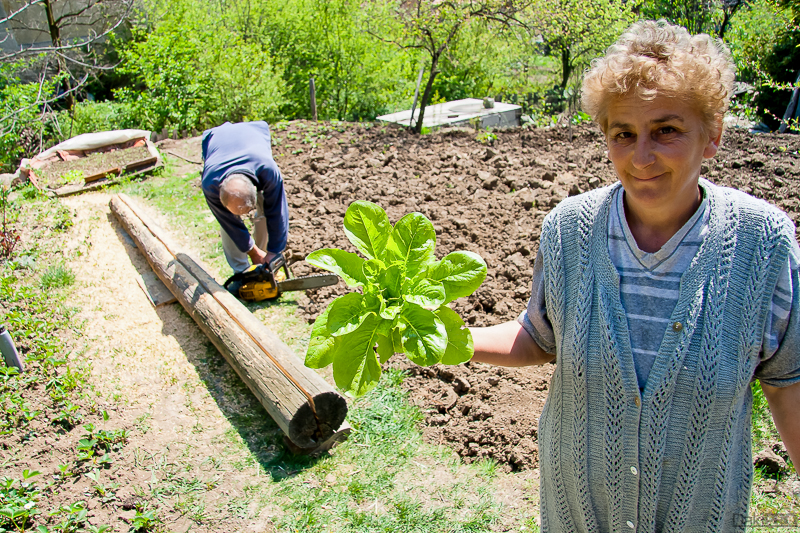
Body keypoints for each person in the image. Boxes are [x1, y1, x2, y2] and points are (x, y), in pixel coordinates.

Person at [469, 20, 800, 532]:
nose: (641, 157)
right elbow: (538, 338)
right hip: (579, 515)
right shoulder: (569, 230)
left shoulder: (762, 244)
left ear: (711, 135)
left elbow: (788, 381)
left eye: (666, 130)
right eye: (624, 133)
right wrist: (436, 337)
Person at [201, 121, 289, 274]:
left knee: (266, 209)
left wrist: (274, 252)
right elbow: (230, 224)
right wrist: (252, 252)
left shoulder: (268, 171)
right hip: (218, 138)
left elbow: (277, 211)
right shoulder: (210, 185)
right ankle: (241, 270)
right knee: (228, 223)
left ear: (255, 189)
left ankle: (264, 257)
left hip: (253, 135)